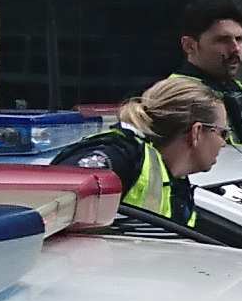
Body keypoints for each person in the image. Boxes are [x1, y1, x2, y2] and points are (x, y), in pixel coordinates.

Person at [56, 75, 228, 226]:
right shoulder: (120, 158)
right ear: (196, 132)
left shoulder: (175, 184)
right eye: (222, 133)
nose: (224, 144)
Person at [169, 0, 242, 145]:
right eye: (223, 40)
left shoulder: (238, 88)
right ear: (189, 46)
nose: (235, 48)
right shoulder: (175, 95)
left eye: (239, 39)